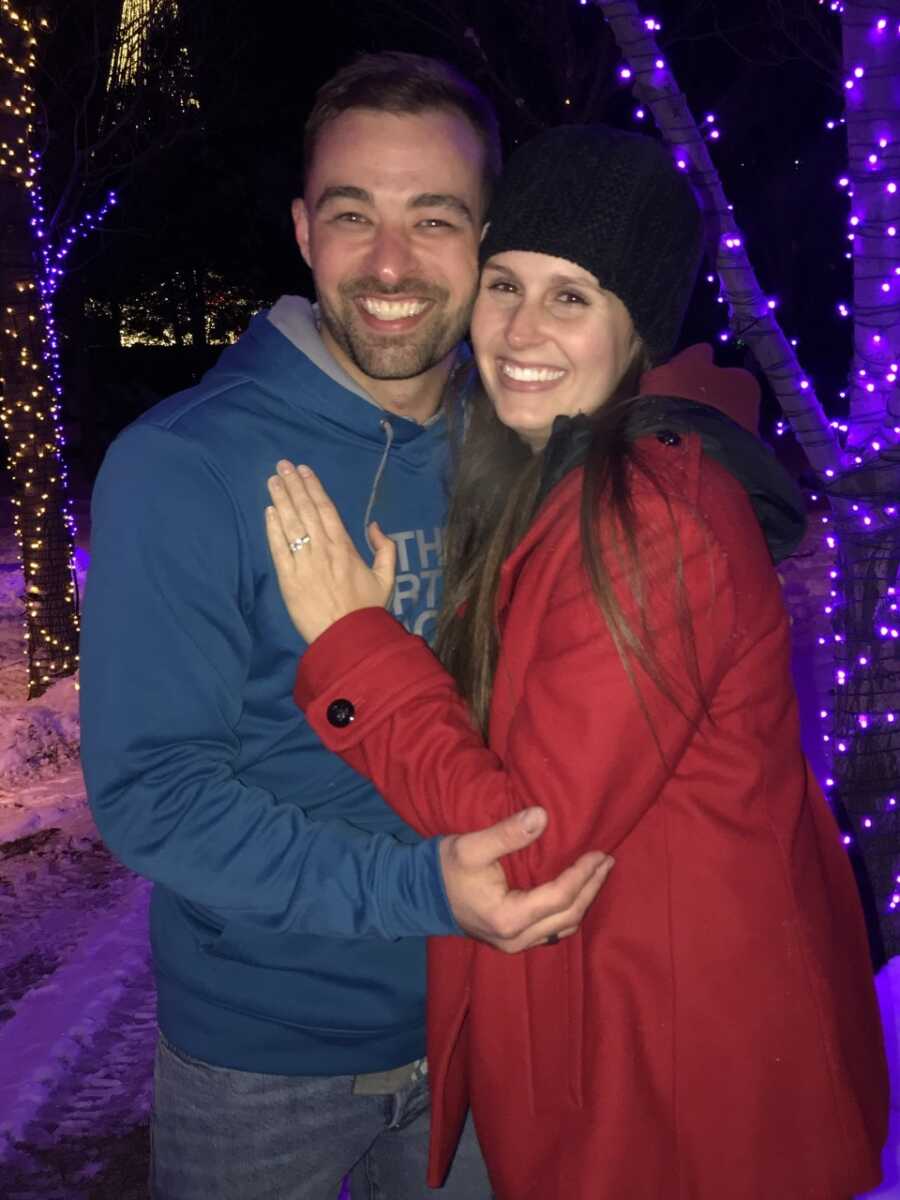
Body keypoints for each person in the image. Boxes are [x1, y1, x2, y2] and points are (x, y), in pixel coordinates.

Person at [266, 124, 890, 1199]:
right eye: (505, 284)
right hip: (636, 1042)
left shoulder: (653, 513)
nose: (518, 328)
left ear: (636, 326)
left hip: (676, 1099)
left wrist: (351, 644)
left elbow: (524, 846)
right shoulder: (565, 479)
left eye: (572, 297)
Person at [79, 55, 617, 1200]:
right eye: (351, 216)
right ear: (302, 232)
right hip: (265, 1068)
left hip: (492, 1024)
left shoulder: (521, 442)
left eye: (434, 219)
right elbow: (154, 794)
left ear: (487, 239)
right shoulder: (187, 467)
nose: (388, 263)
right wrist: (420, 891)